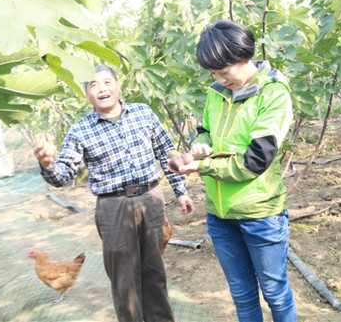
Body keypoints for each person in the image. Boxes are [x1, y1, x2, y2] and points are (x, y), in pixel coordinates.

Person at [33, 65, 195, 322]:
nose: (102, 89)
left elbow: (167, 153)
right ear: (86, 93)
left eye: (107, 82)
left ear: (118, 85)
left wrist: (181, 191)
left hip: (151, 199)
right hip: (113, 207)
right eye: (93, 85)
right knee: (124, 279)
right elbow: (62, 176)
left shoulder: (143, 113)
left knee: (154, 272)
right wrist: (47, 164)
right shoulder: (80, 130)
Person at [174, 19, 297, 321]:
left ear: (244, 56)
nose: (218, 78)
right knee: (242, 295)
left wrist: (202, 164)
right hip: (220, 216)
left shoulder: (273, 94)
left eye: (223, 71)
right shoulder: (216, 93)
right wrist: (201, 145)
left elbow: (255, 160)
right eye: (213, 73)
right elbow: (204, 130)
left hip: (260, 216)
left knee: (275, 293)